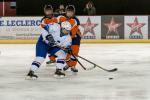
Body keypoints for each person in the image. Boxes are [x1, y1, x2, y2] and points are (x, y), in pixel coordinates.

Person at [47, 5, 81, 73]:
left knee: (74, 52)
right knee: (65, 53)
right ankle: (69, 64)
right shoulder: (60, 17)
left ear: (74, 12)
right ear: (66, 11)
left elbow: (72, 33)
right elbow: (52, 23)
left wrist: (65, 43)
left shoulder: (75, 20)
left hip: (75, 37)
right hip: (63, 36)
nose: (70, 13)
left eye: (71, 12)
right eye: (68, 12)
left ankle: (73, 66)